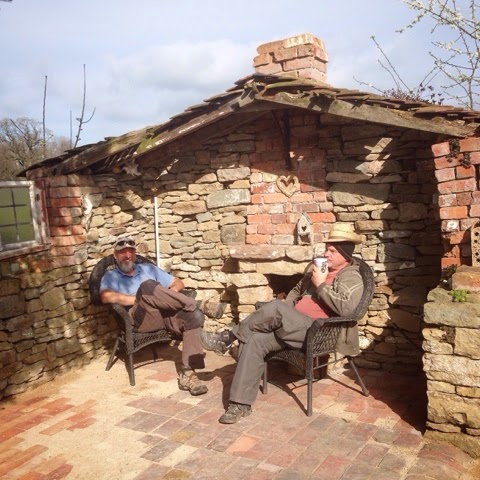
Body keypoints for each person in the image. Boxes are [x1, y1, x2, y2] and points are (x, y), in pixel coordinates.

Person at [199, 224, 364, 423]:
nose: (326, 254)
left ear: (345, 254)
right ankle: (240, 405)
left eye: (332, 251)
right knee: (254, 340)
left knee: (275, 307)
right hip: (294, 326)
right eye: (326, 249)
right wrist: (289, 310)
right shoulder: (319, 270)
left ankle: (228, 337)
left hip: (318, 332)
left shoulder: (351, 276)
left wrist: (320, 284)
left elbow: (346, 308)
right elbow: (295, 291)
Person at [99, 236, 226, 396]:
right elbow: (105, 296)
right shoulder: (111, 276)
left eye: (130, 252)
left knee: (193, 317)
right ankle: (197, 303)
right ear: (115, 255)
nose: (127, 256)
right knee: (147, 286)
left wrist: (167, 297)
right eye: (123, 252)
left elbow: (178, 283)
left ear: (135, 254)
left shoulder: (148, 269)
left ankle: (188, 374)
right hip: (140, 320)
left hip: (163, 315)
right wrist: (139, 299)